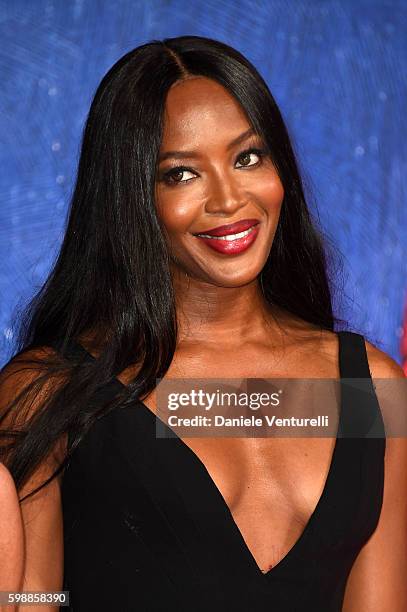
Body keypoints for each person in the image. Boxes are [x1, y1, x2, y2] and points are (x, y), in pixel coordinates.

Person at [0, 35, 406, 612]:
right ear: (131, 196)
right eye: (181, 174)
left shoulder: (371, 390)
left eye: (247, 157)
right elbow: (34, 599)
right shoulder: (48, 393)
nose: (228, 198)